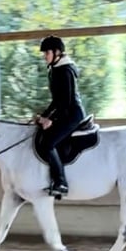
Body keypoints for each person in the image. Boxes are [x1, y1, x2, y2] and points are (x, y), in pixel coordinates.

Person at [35, 35, 86, 197]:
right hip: (64, 112)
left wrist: (50, 119)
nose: (45, 56)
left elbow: (65, 101)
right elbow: (56, 101)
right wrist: (43, 115)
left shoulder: (65, 70)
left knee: (48, 144)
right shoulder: (55, 69)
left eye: (47, 53)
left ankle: (61, 182)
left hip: (72, 115)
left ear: (57, 52)